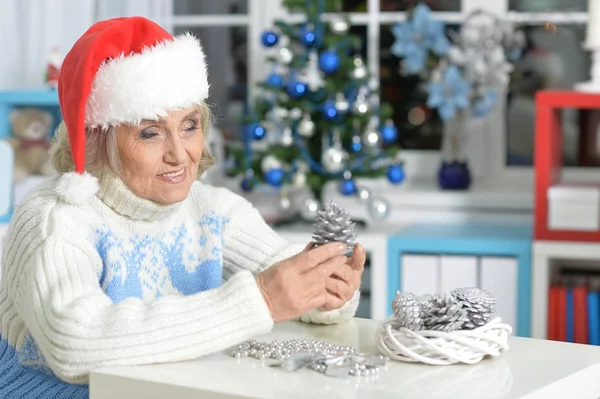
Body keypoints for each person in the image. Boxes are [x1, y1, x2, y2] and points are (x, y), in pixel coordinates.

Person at [0, 17, 365, 398]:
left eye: (189, 126)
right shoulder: (56, 217)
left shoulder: (212, 209)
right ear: (98, 142)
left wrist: (330, 289)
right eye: (150, 133)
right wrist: (263, 299)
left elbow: (286, 269)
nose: (179, 154)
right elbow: (74, 343)